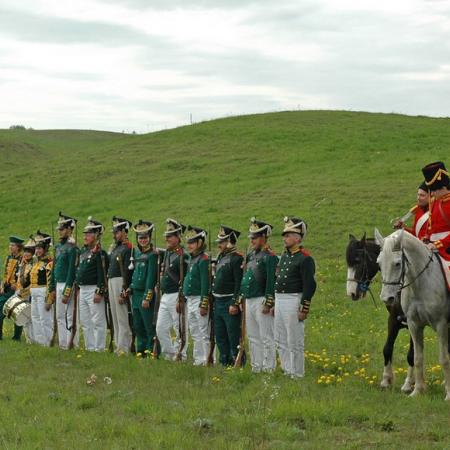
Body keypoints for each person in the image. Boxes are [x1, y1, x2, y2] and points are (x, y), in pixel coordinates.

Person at [275, 217, 316, 378]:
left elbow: (310, 285)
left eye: (288, 235)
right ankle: (287, 369)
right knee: (281, 338)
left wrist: (304, 307)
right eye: (284, 235)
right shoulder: (285, 256)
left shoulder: (304, 258)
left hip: (293, 299)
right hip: (280, 299)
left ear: (298, 237)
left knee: (294, 339)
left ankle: (297, 373)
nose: (285, 238)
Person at [239, 218, 277, 373]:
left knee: (266, 337)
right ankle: (257, 366)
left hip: (261, 299)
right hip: (249, 299)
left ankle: (269, 368)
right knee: (253, 336)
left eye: (255, 237)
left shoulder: (270, 257)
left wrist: (269, 301)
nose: (252, 240)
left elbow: (271, 281)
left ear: (263, 237)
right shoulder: (251, 256)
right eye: (251, 237)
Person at [156, 218, 188, 361]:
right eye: (166, 236)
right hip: (165, 294)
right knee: (160, 329)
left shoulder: (183, 255)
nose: (166, 239)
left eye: (170, 236)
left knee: (179, 328)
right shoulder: (168, 253)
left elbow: (186, 278)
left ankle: (181, 354)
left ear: (178, 237)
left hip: (176, 294)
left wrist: (181, 297)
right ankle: (169, 355)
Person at [212, 225, 243, 366]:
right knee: (220, 335)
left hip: (229, 300)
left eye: (222, 242)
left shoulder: (237, 259)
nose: (219, 245)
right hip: (217, 300)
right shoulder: (221, 257)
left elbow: (239, 283)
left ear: (230, 241)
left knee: (233, 335)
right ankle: (225, 362)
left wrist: (235, 302)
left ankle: (238, 361)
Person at [75, 217, 108, 352]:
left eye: (89, 234)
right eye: (85, 234)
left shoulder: (100, 253)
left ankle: (99, 348)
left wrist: (99, 291)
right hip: (82, 289)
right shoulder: (83, 251)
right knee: (85, 321)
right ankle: (90, 347)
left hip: (93, 289)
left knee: (97, 321)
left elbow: (102, 274)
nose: (85, 236)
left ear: (96, 236)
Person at [48, 212, 79, 349]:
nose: (60, 232)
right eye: (59, 229)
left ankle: (71, 342)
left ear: (69, 229)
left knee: (70, 316)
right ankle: (62, 343)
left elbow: (72, 271)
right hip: (58, 283)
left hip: (67, 284)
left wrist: (67, 290)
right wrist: (52, 288)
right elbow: (54, 268)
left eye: (62, 229)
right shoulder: (58, 247)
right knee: (59, 316)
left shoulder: (73, 248)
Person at [129, 220, 158, 356]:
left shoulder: (153, 255)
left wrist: (147, 297)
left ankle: (151, 351)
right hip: (135, 294)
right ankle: (141, 352)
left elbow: (151, 279)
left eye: (145, 237)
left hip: (145, 296)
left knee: (148, 326)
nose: (143, 240)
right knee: (138, 325)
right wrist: (130, 287)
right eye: (140, 238)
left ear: (150, 238)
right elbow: (135, 274)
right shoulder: (137, 254)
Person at [182, 226, 211, 366]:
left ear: (200, 243)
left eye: (192, 242)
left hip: (199, 298)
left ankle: (208, 359)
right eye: (188, 243)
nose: (189, 245)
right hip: (191, 299)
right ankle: (199, 359)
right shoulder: (193, 259)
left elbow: (206, 283)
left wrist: (204, 303)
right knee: (194, 331)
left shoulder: (203, 259)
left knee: (204, 331)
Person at [107, 216, 134, 354]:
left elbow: (127, 271)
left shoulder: (128, 248)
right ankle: (118, 344)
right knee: (115, 316)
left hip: (120, 282)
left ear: (124, 232)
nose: (115, 235)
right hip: (112, 281)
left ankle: (124, 346)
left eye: (117, 232)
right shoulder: (116, 248)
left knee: (122, 316)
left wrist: (124, 290)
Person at [422, 161, 450, 261]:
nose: (432, 194)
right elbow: (432, 227)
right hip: (433, 247)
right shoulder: (435, 201)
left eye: (434, 190)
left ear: (443, 187)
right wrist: (427, 238)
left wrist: (438, 244)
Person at [30, 231, 53, 346]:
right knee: (35, 317)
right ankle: (40, 342)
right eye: (36, 248)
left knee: (45, 318)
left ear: (45, 249)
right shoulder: (36, 262)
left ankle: (48, 342)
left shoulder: (49, 261)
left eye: (40, 248)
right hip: (33, 291)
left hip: (43, 291)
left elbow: (50, 281)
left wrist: (49, 298)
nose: (37, 251)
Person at [0, 236, 24, 341]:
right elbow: (5, 274)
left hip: (16, 290)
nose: (10, 247)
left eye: (13, 245)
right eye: (10, 245)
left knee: (17, 313)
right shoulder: (8, 258)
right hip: (6, 289)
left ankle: (17, 337)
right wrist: (1, 285)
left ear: (18, 247)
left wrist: (17, 287)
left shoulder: (22, 259)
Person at [16, 236, 36, 342]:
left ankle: (35, 338)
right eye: (25, 251)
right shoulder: (23, 263)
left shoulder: (35, 263)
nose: (26, 253)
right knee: (25, 317)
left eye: (29, 251)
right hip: (22, 293)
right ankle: (28, 339)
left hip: (31, 293)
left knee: (33, 317)